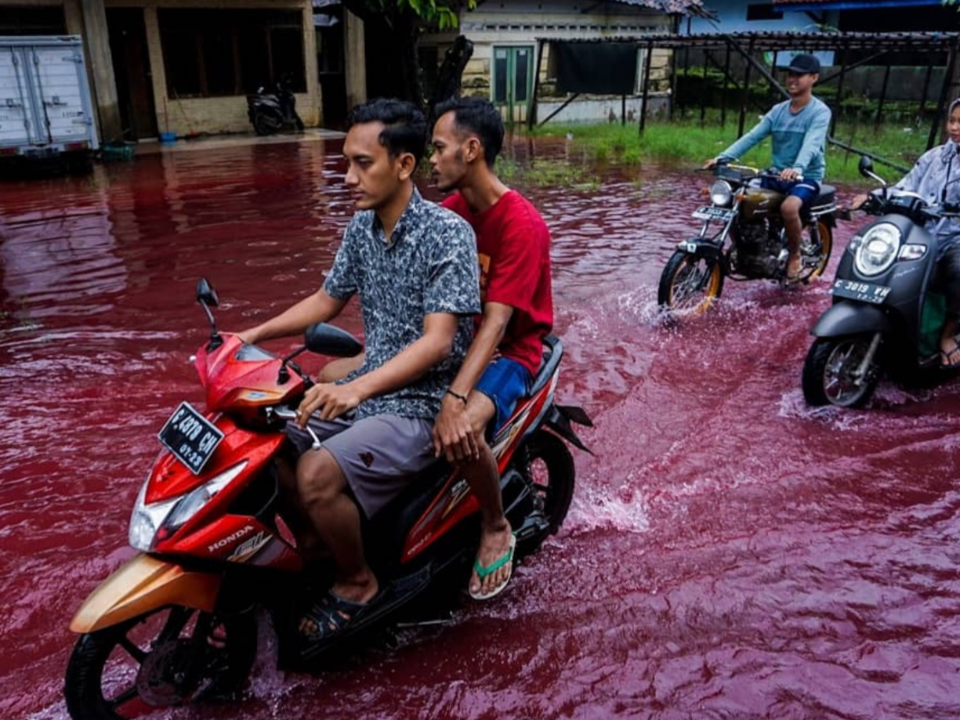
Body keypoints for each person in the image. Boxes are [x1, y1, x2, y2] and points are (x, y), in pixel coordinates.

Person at [238, 98, 480, 643]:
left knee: (316, 475)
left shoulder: (447, 234)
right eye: (346, 162)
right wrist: (250, 336)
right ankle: (321, 547)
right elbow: (326, 300)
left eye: (361, 163)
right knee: (269, 442)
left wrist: (356, 388)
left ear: (404, 165)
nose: (348, 177)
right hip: (368, 387)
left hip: (423, 402)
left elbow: (439, 343)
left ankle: (357, 581)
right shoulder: (361, 228)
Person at [429, 96, 554, 600]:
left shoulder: (522, 225)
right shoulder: (450, 213)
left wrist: (456, 398)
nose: (432, 160)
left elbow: (499, 323)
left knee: (460, 432)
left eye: (439, 149)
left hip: (512, 352)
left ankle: (495, 523)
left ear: (472, 150)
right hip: (461, 341)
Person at [851, 97, 960, 368]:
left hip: (955, 238)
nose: (954, 127)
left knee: (958, 271)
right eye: (952, 120)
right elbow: (906, 186)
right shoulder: (934, 157)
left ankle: (948, 334)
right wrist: (871, 196)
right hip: (921, 233)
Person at [705, 53, 831, 283]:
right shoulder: (778, 111)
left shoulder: (819, 112)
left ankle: (794, 255)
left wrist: (798, 167)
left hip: (805, 176)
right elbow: (752, 136)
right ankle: (751, 250)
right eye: (790, 74)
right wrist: (722, 157)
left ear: (814, 77)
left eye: (799, 75)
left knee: (789, 208)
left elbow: (812, 143)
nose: (792, 79)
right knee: (740, 199)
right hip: (776, 174)